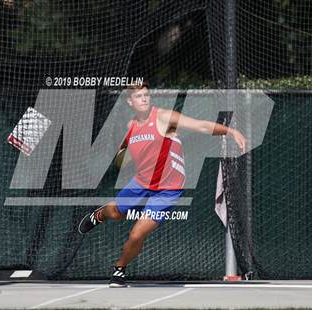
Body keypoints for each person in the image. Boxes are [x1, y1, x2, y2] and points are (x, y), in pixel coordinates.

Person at [78, 82, 246, 287]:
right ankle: (97, 215)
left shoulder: (164, 117)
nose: (144, 99)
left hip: (168, 189)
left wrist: (230, 131)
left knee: (137, 234)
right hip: (141, 182)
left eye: (146, 95)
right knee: (115, 213)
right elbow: (123, 157)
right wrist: (123, 156)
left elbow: (200, 125)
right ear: (130, 102)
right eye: (139, 96)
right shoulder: (131, 126)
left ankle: (119, 269)